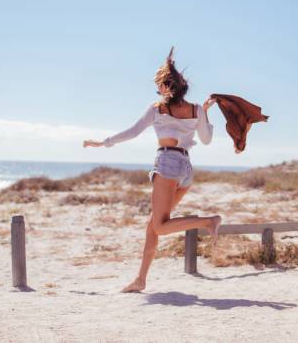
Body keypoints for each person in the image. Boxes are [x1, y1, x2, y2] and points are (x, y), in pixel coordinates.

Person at [83, 48, 221, 292]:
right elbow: (207, 139)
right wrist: (206, 115)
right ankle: (140, 280)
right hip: (186, 169)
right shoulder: (197, 109)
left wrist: (102, 143)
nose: (158, 91)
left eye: (159, 86)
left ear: (167, 87)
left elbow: (132, 132)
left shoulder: (158, 108)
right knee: (153, 225)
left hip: (167, 165)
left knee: (159, 226)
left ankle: (209, 221)